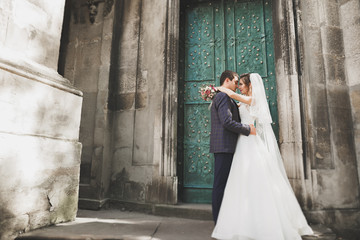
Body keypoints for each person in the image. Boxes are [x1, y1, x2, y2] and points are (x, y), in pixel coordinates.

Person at [211, 73, 314, 240]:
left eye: (242, 84)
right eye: (238, 84)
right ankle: (240, 220)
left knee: (255, 181)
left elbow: (230, 94)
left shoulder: (251, 100)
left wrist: (216, 89)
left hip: (249, 142)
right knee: (241, 183)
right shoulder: (242, 101)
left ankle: (259, 222)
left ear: (250, 86)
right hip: (241, 144)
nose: (239, 87)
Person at [210, 70, 256, 224]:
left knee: (226, 185)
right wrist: (248, 129)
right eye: (236, 82)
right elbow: (227, 122)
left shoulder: (226, 96)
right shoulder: (223, 96)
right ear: (227, 81)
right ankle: (218, 222)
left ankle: (226, 219)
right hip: (224, 147)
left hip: (228, 146)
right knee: (220, 185)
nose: (237, 86)